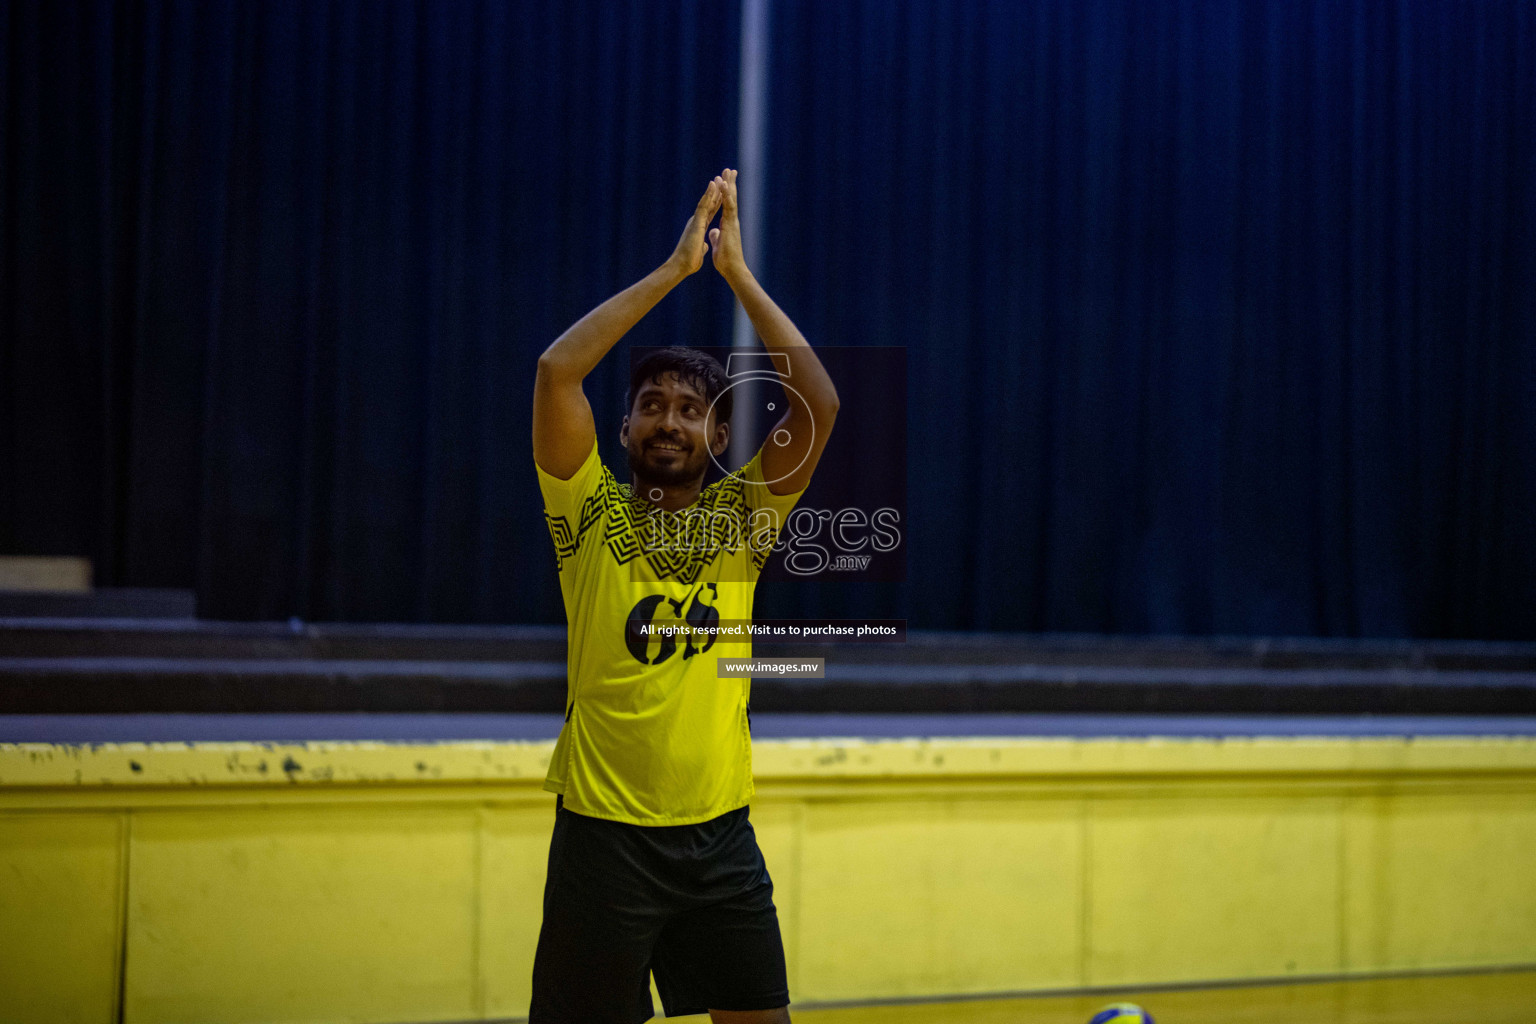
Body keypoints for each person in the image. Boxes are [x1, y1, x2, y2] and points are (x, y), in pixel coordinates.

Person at [529, 169, 839, 1023]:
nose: (670, 420)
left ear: (719, 432)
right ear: (623, 429)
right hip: (604, 842)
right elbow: (559, 371)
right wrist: (674, 271)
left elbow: (820, 401)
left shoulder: (745, 519)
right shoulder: (588, 513)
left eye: (691, 409)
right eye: (652, 406)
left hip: (719, 841)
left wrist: (738, 276)